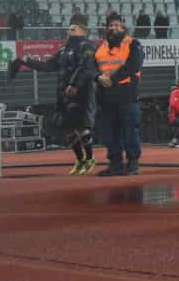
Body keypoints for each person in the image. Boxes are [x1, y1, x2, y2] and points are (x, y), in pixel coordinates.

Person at [9, 22, 100, 174]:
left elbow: (86, 67)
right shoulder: (64, 49)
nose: (68, 31)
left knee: (82, 127)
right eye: (69, 29)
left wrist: (75, 84)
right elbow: (47, 66)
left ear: (83, 31)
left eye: (73, 29)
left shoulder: (87, 46)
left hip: (82, 93)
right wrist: (26, 60)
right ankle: (80, 160)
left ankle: (90, 158)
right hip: (63, 93)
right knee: (67, 129)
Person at [92, 13, 146, 176]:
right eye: (110, 25)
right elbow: (93, 67)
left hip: (126, 93)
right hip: (106, 95)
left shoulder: (133, 43)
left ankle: (132, 163)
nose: (113, 28)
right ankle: (115, 164)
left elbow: (133, 65)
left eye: (117, 25)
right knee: (110, 132)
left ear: (123, 27)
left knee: (130, 129)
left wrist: (111, 79)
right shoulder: (100, 47)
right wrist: (98, 77)